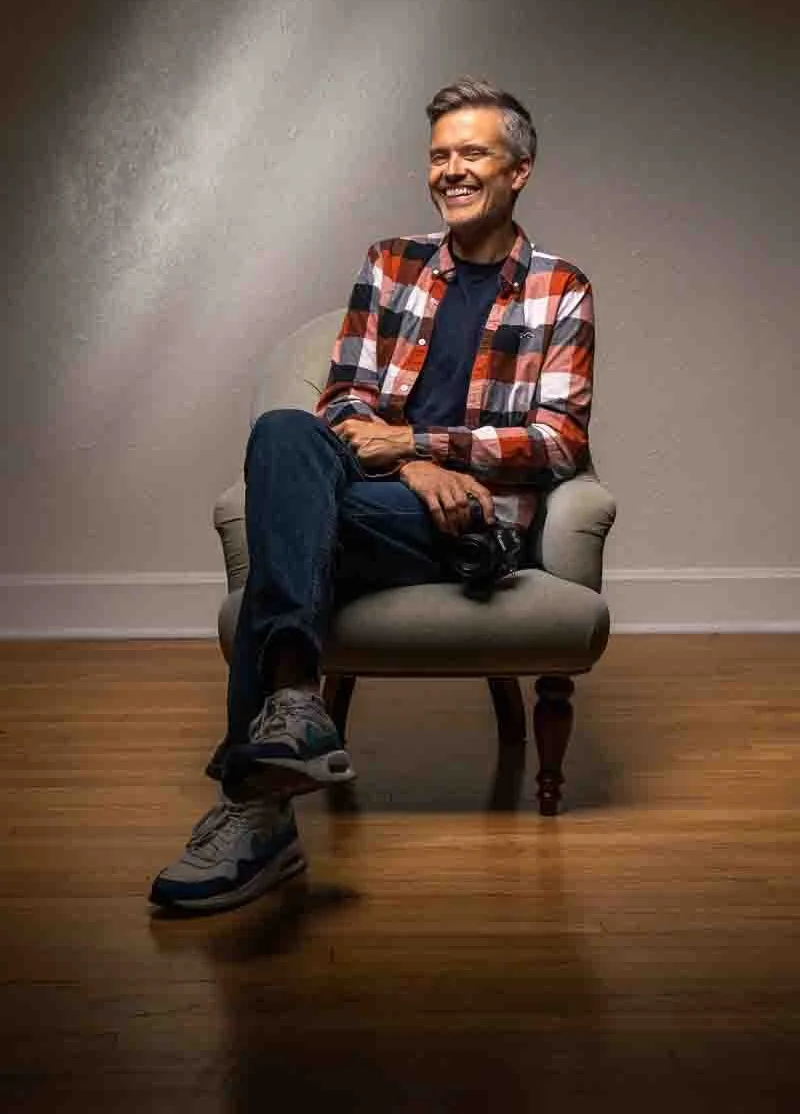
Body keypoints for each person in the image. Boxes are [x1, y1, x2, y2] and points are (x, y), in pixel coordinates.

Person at [149, 78, 595, 913]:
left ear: (519, 170)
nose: (451, 170)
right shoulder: (392, 264)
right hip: (381, 501)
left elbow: (558, 442)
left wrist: (420, 444)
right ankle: (295, 706)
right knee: (285, 431)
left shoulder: (560, 287)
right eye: (439, 155)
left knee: (287, 526)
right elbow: (344, 402)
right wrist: (410, 465)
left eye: (473, 153)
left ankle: (254, 821)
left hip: (473, 529)